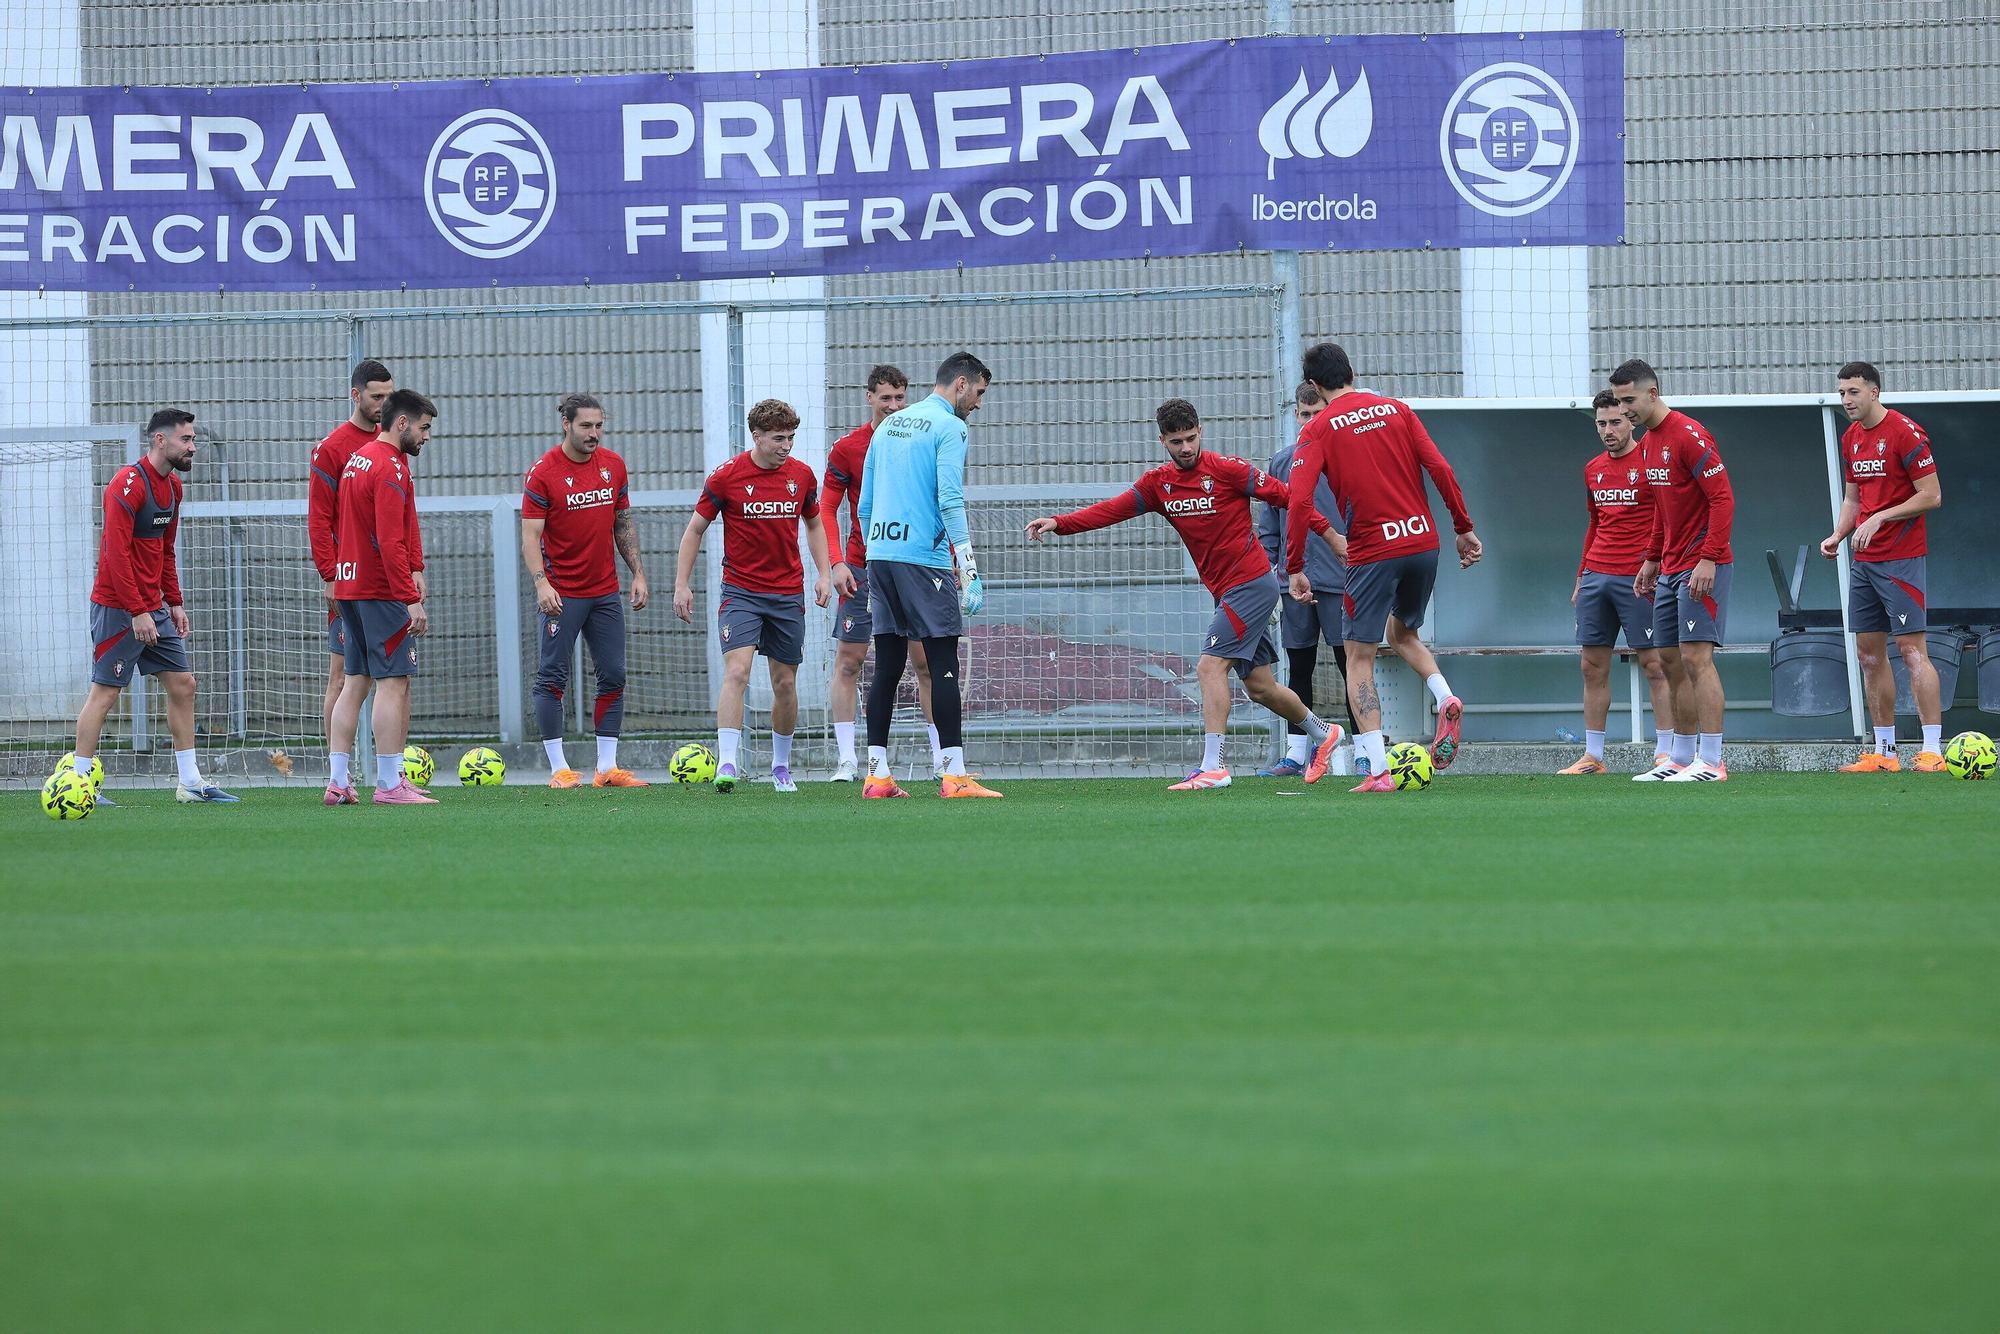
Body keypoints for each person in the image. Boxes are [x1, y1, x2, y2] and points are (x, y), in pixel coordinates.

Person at [1028, 398, 1345, 790]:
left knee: (1209, 668)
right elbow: (1112, 510)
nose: (1186, 448)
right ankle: (1324, 732)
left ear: (1201, 432)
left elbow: (1290, 497)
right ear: (1163, 441)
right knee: (1260, 686)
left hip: (1252, 583)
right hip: (1226, 591)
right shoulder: (1158, 485)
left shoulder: (1229, 470)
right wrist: (1060, 523)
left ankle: (1214, 767)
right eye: (1177, 441)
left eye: (1191, 438)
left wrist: (1330, 536)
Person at [1284, 342, 1481, 793]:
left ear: (1314, 385)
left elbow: (1298, 501)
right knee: (1403, 633)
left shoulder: (1317, 429)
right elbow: (1441, 468)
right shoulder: (1397, 409)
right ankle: (1445, 697)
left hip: (1373, 551)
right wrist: (1463, 527)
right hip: (1423, 540)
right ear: (1352, 372)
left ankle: (1377, 770)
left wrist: (1295, 566)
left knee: (1359, 658)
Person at [69, 408, 238, 804]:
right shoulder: (127, 485)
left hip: (153, 608)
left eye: (193, 440)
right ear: (161, 440)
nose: (193, 447)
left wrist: (173, 603)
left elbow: (164, 551)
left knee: (183, 684)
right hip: (118, 608)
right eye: (187, 440)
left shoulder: (174, 489)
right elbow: (115, 555)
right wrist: (137, 611)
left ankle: (191, 783)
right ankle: (78, 782)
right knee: (106, 694)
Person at [853, 351, 1002, 799]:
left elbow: (863, 505)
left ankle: (876, 775)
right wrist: (968, 568)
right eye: (978, 392)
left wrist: (875, 555)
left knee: (888, 664)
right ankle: (954, 777)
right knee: (942, 663)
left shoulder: (890, 425)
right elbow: (950, 498)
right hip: (924, 560)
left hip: (880, 554)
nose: (977, 403)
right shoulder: (950, 426)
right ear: (961, 383)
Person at [673, 399, 833, 793]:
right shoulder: (726, 477)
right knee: (738, 671)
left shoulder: (802, 476)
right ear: (756, 436)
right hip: (741, 591)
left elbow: (814, 524)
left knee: (784, 683)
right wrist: (681, 583)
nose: (786, 446)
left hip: (786, 593)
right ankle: (726, 762)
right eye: (778, 438)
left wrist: (825, 573)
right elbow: (695, 530)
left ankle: (781, 767)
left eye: (791, 438)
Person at [1820, 361, 1946, 773]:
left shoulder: (1905, 432)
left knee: (1912, 652)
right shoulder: (1851, 438)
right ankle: (1885, 753)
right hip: (1864, 561)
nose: (1846, 400)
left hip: (1902, 558)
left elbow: (1931, 495)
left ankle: (1932, 751)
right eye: (1841, 393)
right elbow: (1854, 500)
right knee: (1869, 656)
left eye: (1853, 392)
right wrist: (1839, 534)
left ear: (1874, 392)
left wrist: (1882, 517)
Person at [1613, 359, 1735, 783]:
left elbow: (1722, 499)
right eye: (1618, 400)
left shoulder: (1689, 435)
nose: (1624, 408)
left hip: (1702, 564)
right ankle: (1681, 758)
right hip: (1670, 566)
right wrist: (1651, 558)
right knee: (1668, 661)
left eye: (1629, 400)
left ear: (1653, 392)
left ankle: (1714, 761)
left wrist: (1708, 557)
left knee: (1697, 657)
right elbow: (1664, 511)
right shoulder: (1647, 443)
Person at [522, 393, 650, 789]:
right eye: (586, 426)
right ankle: (559, 769)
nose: (594, 433)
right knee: (552, 677)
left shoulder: (613, 466)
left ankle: (606, 769)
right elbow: (530, 534)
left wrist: (638, 574)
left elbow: (622, 522)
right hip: (562, 594)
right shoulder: (543, 472)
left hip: (605, 593)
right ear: (566, 423)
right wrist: (541, 581)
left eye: (599, 425)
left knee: (613, 674)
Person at [820, 365, 940, 782]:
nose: (893, 406)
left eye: (899, 398)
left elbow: (939, 501)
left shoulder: (920, 438)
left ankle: (942, 757)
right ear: (868, 397)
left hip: (913, 566)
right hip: (861, 567)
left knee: (925, 661)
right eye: (885, 398)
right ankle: (849, 760)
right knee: (850, 660)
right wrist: (836, 562)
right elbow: (826, 508)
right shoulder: (848, 448)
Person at [327, 390, 439, 806]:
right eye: (424, 428)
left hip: (349, 586)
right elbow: (390, 541)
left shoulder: (359, 459)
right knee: (394, 681)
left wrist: (415, 566)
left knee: (355, 681)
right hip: (380, 590)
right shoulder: (390, 466)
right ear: (404, 423)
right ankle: (390, 784)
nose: (427, 437)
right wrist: (409, 597)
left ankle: (338, 781)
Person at [1559, 390, 1677, 774]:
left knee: (1655, 664)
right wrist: (1581, 575)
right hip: (1597, 575)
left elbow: (1668, 519)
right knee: (1591, 666)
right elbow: (1594, 523)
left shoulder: (1650, 463)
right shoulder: (1592, 468)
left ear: (1631, 421)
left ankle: (1665, 751)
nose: (1608, 431)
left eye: (1615, 422)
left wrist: (1658, 565)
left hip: (1639, 577)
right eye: (1601, 424)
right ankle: (1594, 756)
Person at [1256, 380, 1358, 777]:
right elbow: (1270, 523)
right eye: (1305, 413)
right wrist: (1269, 569)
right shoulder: (1281, 462)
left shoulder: (1348, 457)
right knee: (1298, 666)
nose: (1311, 420)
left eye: (1318, 413)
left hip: (1340, 579)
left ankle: (1364, 750)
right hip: (1292, 581)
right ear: (1295, 414)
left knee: (1350, 663)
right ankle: (1297, 754)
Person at [308, 360, 395, 753]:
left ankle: (388, 768)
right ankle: (337, 769)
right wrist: (330, 574)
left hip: (386, 579)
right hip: (349, 578)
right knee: (342, 676)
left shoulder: (392, 441)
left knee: (392, 676)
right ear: (356, 395)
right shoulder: (332, 449)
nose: (384, 404)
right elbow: (319, 518)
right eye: (377, 397)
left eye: (389, 396)